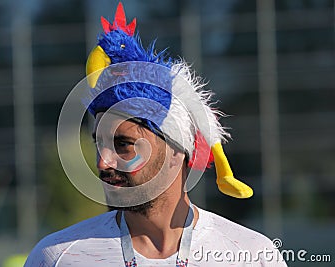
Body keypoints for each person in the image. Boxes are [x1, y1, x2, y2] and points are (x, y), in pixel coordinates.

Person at [24, 3, 287, 266]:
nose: (102, 163)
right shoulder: (56, 257)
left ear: (177, 151)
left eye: (123, 144)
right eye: (99, 144)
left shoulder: (253, 255)